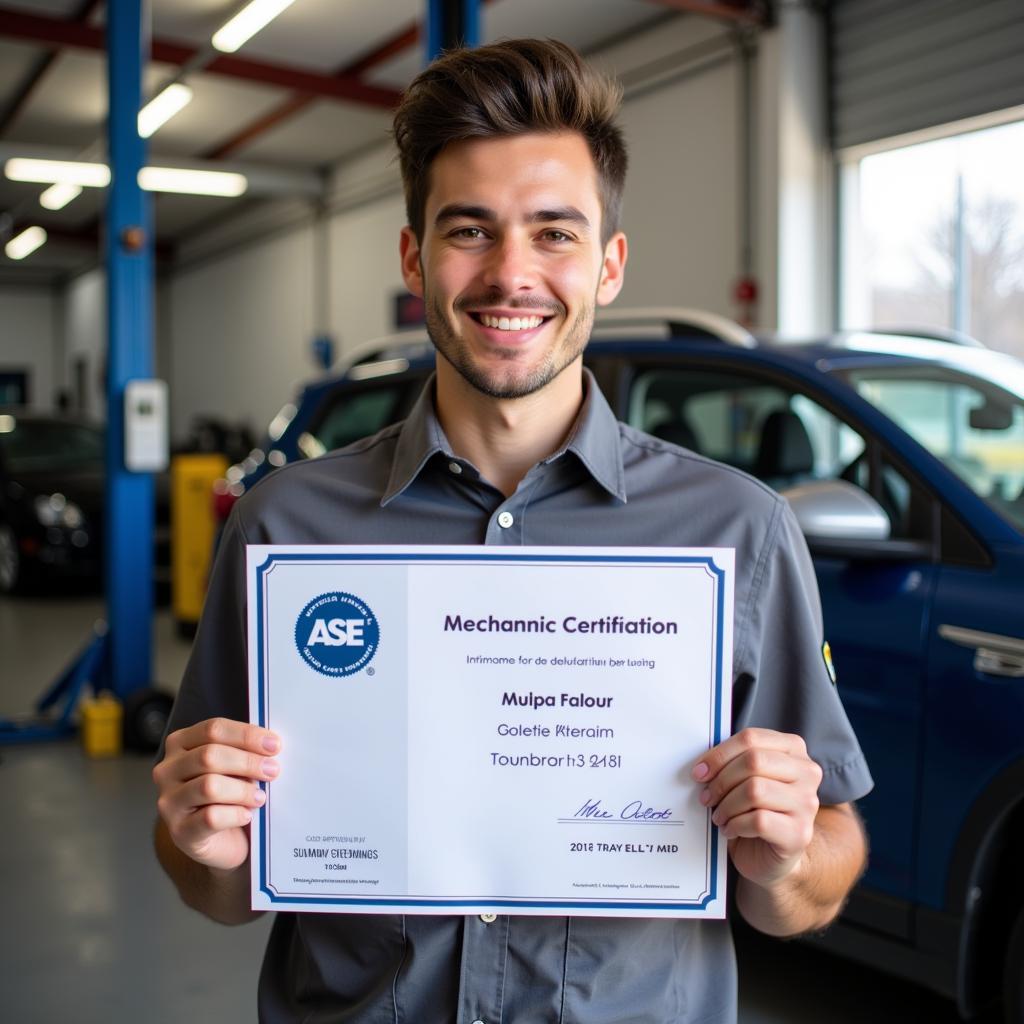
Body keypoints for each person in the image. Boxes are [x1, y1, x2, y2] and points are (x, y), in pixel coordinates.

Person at [153, 38, 871, 1023]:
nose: (510, 273)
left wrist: (784, 856)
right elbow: (222, 888)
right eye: (468, 230)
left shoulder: (738, 532)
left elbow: (819, 871)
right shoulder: (288, 526)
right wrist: (200, 843)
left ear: (608, 264)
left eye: (554, 232)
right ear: (413, 258)